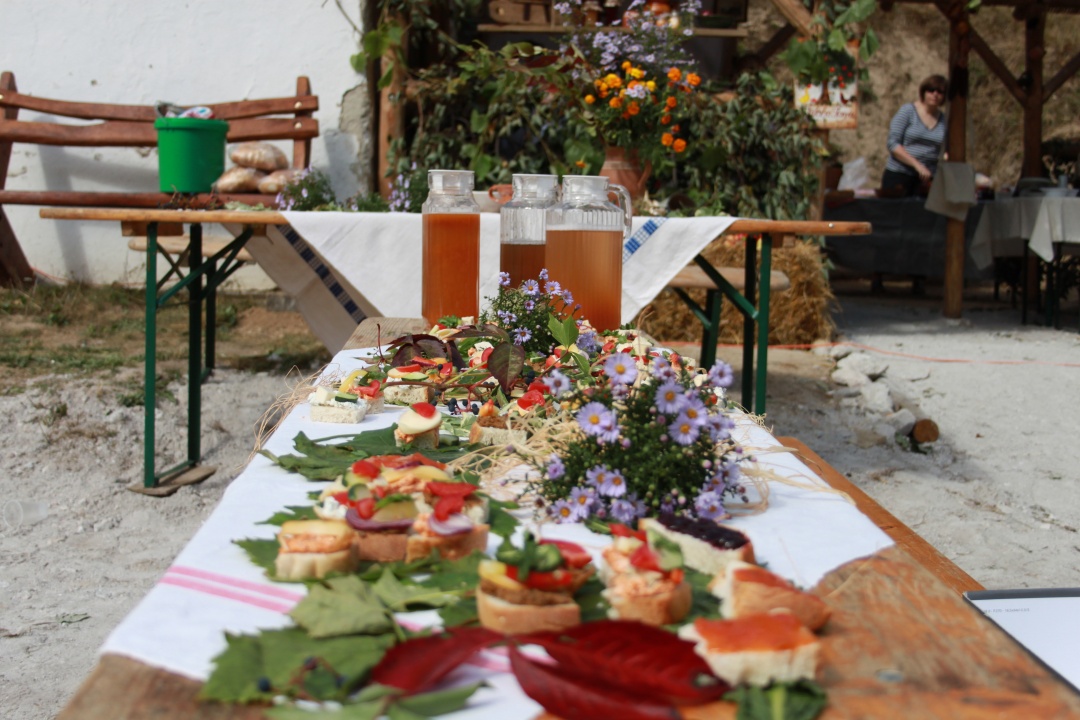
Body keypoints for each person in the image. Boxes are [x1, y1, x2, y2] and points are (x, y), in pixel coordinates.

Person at [881, 75, 948, 197]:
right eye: (931, 90)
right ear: (924, 92)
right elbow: (893, 144)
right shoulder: (908, 111)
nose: (935, 94)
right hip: (899, 174)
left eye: (940, 92)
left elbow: (946, 150)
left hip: (927, 180)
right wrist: (917, 165)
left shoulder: (944, 120)